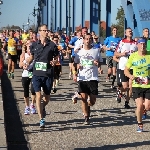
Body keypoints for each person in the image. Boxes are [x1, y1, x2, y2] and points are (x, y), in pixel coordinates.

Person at [27, 24, 59, 128]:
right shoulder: (34, 45)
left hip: (48, 74)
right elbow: (31, 57)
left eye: (47, 30)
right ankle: (41, 119)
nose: (46, 32)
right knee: (38, 96)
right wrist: (26, 62)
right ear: (39, 32)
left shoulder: (52, 45)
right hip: (36, 74)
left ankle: (41, 107)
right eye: (44, 30)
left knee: (46, 98)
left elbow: (56, 57)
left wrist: (54, 61)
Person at [73, 33, 103, 125]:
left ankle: (79, 97)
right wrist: (75, 71)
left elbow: (100, 62)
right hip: (82, 77)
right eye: (86, 39)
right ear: (83, 40)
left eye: (90, 39)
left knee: (92, 101)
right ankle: (86, 116)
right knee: (84, 98)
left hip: (93, 77)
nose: (88, 40)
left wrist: (98, 65)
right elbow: (75, 64)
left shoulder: (96, 51)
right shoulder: (79, 52)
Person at [124, 38, 150, 132]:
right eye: (140, 44)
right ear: (137, 45)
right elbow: (126, 70)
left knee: (147, 106)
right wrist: (130, 76)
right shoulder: (133, 56)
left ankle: (144, 110)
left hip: (148, 85)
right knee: (139, 105)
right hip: (137, 85)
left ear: (146, 45)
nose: (142, 46)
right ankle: (140, 124)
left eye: (144, 44)